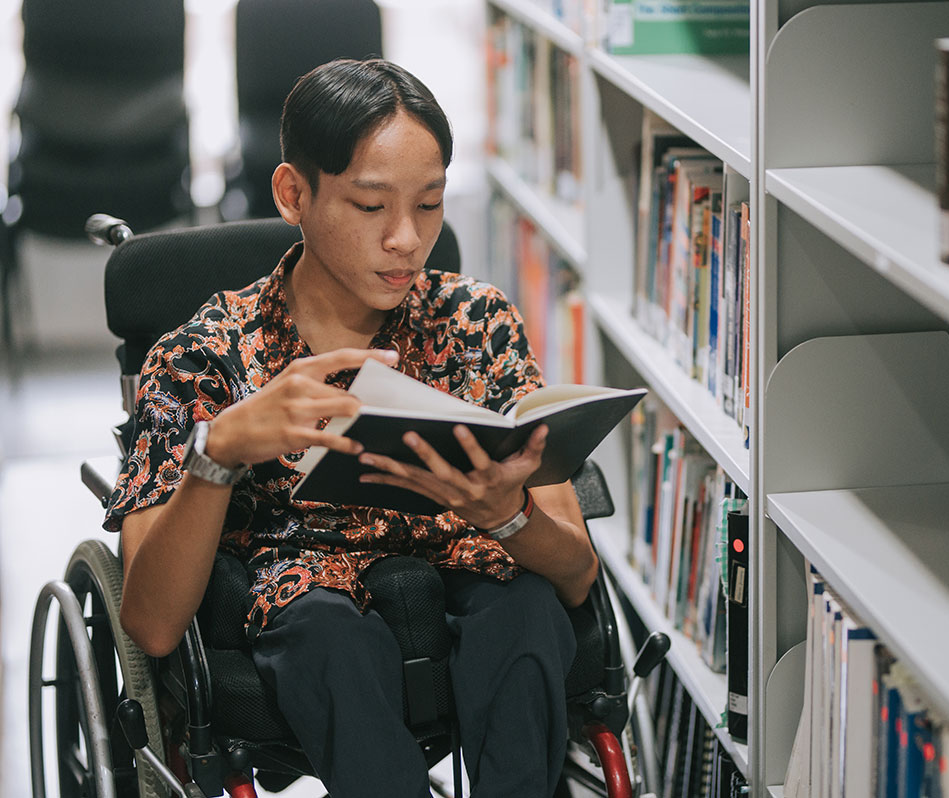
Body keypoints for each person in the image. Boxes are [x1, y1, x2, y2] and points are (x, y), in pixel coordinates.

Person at [103, 57, 598, 798]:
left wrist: (509, 515)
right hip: (308, 611)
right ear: (293, 193)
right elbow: (152, 627)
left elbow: (577, 572)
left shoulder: (476, 323)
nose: (406, 238)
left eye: (429, 205)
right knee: (326, 637)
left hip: (467, 575)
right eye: (371, 208)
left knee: (525, 610)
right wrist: (221, 452)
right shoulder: (203, 356)